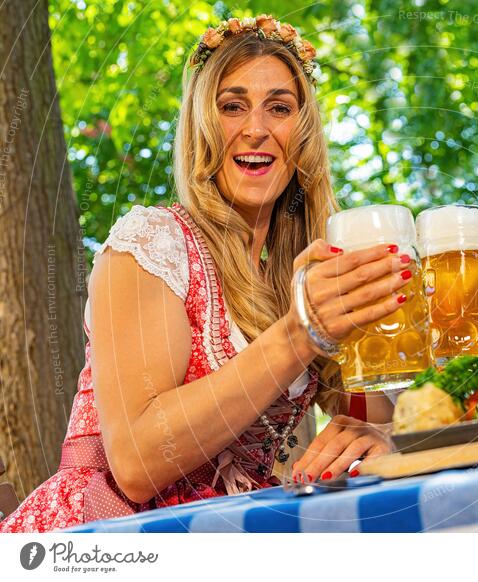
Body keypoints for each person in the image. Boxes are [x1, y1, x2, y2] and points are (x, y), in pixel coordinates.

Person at [1, 14, 405, 533]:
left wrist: (381, 438)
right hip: (109, 538)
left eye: (279, 108)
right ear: (200, 125)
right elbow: (138, 464)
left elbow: (377, 415)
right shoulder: (151, 244)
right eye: (232, 106)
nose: (256, 128)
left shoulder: (298, 272)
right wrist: (300, 333)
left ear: (303, 134)